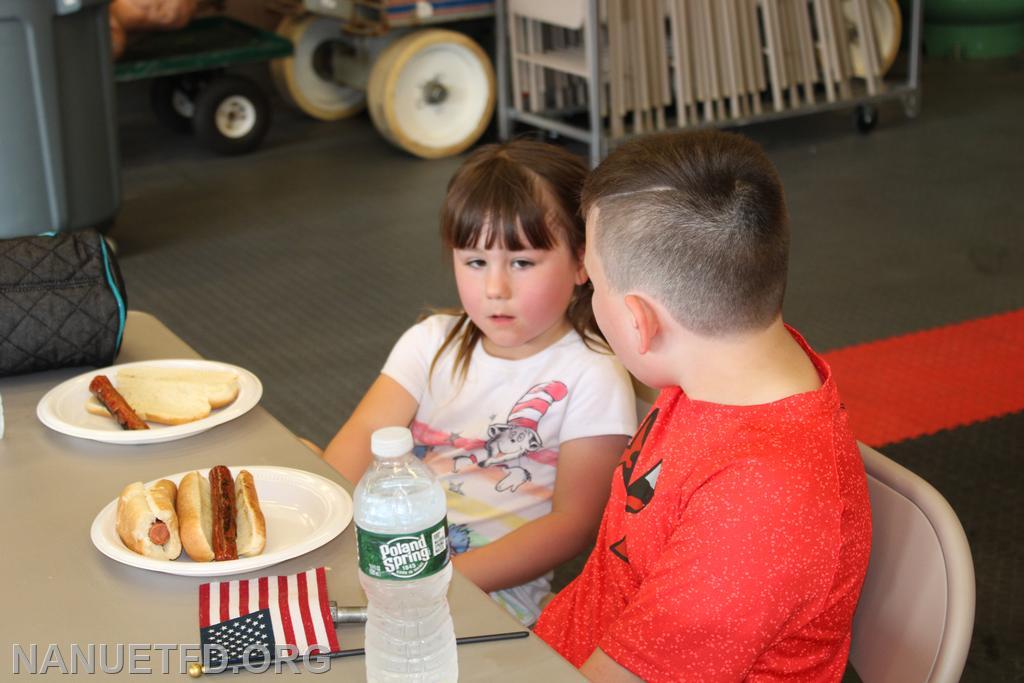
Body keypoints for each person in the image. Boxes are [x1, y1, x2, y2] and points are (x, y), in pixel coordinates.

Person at [533, 130, 872, 682]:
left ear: (640, 322)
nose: (589, 303)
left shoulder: (762, 508)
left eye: (592, 283)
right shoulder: (719, 369)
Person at [323, 139, 637, 626]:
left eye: (522, 262)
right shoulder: (430, 342)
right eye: (475, 262)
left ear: (582, 262)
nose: (495, 288)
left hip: (489, 598)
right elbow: (357, 445)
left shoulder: (592, 373)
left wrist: (442, 579)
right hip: (381, 563)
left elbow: (572, 526)